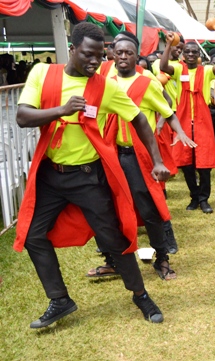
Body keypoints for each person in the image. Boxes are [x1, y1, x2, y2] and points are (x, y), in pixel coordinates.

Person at [14, 22, 167, 328]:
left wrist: (157, 159)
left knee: (113, 238)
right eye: (88, 55)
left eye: (100, 56)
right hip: (51, 176)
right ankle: (59, 299)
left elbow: (138, 118)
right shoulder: (42, 75)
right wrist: (62, 109)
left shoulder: (104, 86)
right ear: (71, 50)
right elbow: (22, 116)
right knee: (32, 235)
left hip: (88, 177)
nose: (95, 62)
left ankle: (141, 295)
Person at [87, 36, 196, 281]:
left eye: (129, 53)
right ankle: (113, 260)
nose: (123, 56)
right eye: (119, 52)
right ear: (112, 55)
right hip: (111, 155)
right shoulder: (104, 83)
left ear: (137, 57)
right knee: (107, 209)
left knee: (148, 210)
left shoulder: (147, 83)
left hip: (138, 156)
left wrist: (179, 132)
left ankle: (162, 258)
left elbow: (168, 110)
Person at [160, 30, 215, 214]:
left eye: (194, 52)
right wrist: (168, 45)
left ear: (199, 55)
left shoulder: (206, 71)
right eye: (187, 52)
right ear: (183, 54)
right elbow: (163, 65)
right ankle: (194, 196)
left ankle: (204, 199)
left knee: (204, 164)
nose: (191, 54)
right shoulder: (177, 69)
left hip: (202, 120)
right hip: (182, 120)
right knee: (186, 163)